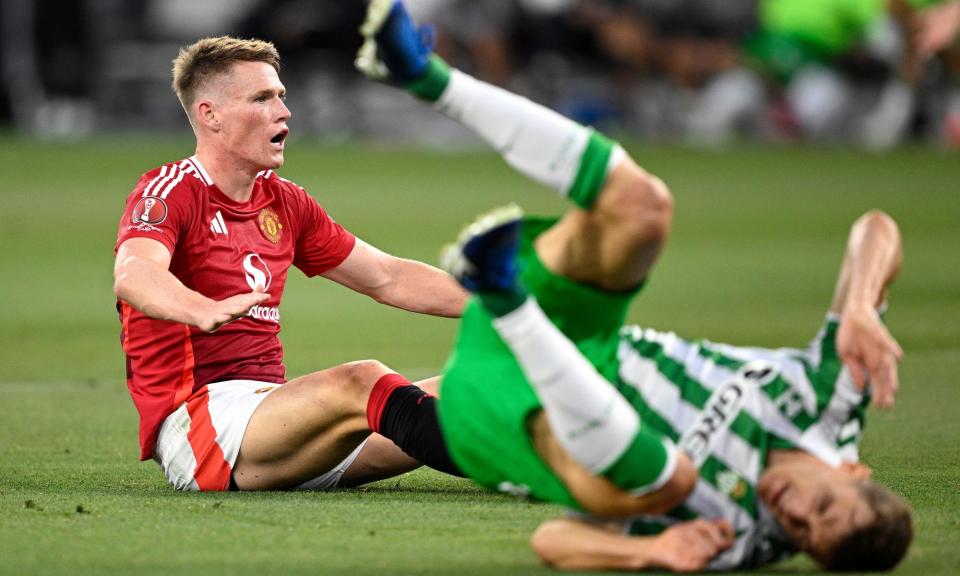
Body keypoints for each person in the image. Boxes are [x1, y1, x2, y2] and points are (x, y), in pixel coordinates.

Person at [357, 0, 912, 570]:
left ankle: (511, 305)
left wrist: (652, 551)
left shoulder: (738, 538)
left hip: (519, 422)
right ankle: (425, 75)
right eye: (822, 503)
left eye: (803, 534)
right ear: (851, 470)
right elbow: (877, 229)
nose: (793, 513)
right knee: (645, 207)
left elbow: (554, 542)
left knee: (671, 481)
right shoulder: (830, 405)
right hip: (582, 340)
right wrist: (864, 305)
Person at [113, 35, 467, 492]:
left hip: (275, 418)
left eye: (281, 95)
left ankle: (560, 456)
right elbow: (134, 272)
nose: (284, 111)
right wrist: (199, 308)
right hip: (202, 426)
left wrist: (508, 304)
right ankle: (530, 473)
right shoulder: (170, 190)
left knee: (475, 385)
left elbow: (388, 276)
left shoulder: (284, 201)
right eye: (262, 98)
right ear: (210, 115)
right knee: (363, 379)